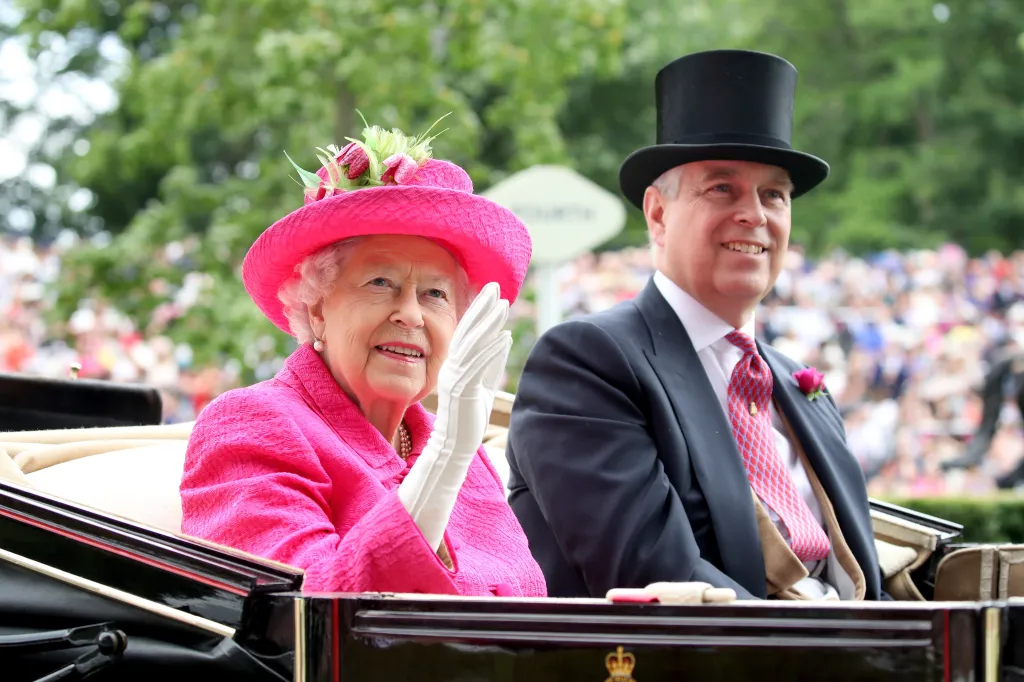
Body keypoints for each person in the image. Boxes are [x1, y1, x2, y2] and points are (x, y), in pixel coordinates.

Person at [505, 50, 886, 601]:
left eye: (773, 194)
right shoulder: (589, 363)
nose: (754, 214)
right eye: (722, 189)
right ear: (658, 214)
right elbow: (655, 576)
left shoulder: (804, 388)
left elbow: (866, 587)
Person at [180, 117, 546, 597]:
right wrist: (444, 460)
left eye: (435, 294)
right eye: (381, 283)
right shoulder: (249, 424)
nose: (411, 314)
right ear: (316, 305)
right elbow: (305, 617)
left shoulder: (456, 447)